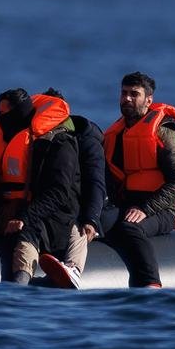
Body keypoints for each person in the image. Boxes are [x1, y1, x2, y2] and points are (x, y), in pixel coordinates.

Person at [103, 72, 175, 288]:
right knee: (95, 222)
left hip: (161, 209)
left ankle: (151, 282)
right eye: (124, 93)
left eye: (135, 94)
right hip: (127, 203)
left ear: (148, 100)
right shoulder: (118, 133)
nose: (127, 99)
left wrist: (146, 209)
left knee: (129, 228)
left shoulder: (165, 132)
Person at [0, 90, 81, 285]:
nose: (1, 120)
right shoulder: (29, 138)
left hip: (59, 216)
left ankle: (20, 286)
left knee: (28, 233)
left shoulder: (60, 142)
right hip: (28, 208)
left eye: (5, 114)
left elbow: (59, 192)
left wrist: (25, 218)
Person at [37, 88, 107, 288]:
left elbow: (96, 183)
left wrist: (91, 218)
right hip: (58, 206)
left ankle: (74, 268)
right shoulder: (42, 138)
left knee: (78, 226)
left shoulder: (86, 141)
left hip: (91, 209)